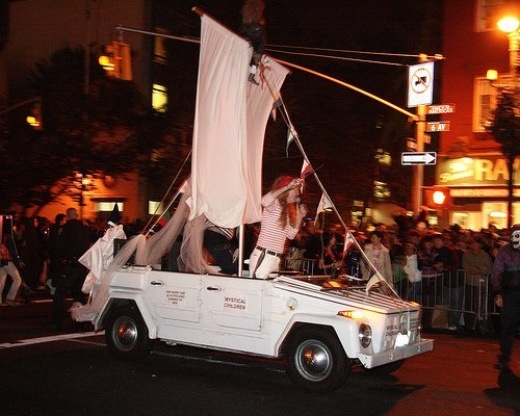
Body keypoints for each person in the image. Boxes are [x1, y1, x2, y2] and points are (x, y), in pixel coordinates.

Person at [249, 176, 307, 279]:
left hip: (275, 258)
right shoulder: (275, 204)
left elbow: (291, 235)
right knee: (258, 286)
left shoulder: (287, 212)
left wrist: (300, 218)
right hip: (264, 255)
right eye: (296, 190)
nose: (298, 193)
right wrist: (287, 187)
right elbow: (264, 201)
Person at [49, 208, 94, 330]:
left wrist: (62, 260)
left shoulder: (66, 229)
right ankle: (81, 321)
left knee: (59, 294)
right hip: (82, 265)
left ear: (67, 216)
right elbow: (91, 242)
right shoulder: (85, 228)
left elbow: (59, 247)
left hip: (70, 265)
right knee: (78, 294)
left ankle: (56, 322)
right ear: (77, 215)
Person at [490, 224, 520, 371]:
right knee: (507, 328)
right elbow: (497, 272)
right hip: (509, 295)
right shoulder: (504, 251)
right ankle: (504, 358)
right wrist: (497, 292)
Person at [463, 237, 492, 332]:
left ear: (480, 245)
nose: (474, 245)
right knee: (469, 304)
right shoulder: (467, 254)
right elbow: (465, 266)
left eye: (476, 243)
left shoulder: (485, 255)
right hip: (470, 282)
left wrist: (477, 270)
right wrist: (479, 269)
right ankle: (469, 325)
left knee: (481, 305)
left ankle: (481, 325)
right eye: (472, 243)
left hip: (481, 284)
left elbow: (488, 268)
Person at [0, 230, 25, 306]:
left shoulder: (2, 237)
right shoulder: (8, 237)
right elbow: (13, 251)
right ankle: (10, 298)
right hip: (7, 261)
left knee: (1, 282)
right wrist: (19, 261)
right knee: (17, 280)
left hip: (1, 261)